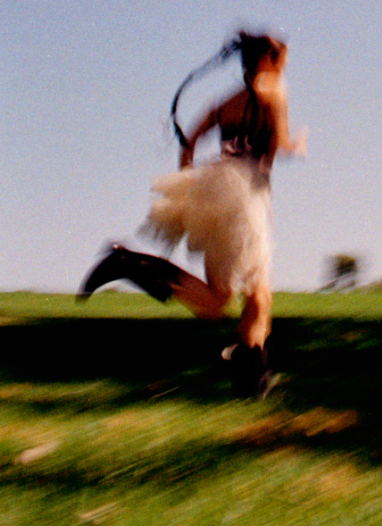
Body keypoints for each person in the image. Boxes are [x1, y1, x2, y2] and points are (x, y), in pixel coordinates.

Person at [79, 31, 306, 396]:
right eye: (282, 63)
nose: (284, 71)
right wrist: (299, 144)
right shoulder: (275, 93)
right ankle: (129, 264)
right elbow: (279, 145)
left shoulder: (226, 102)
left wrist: (192, 186)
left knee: (253, 297)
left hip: (223, 192)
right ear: (268, 60)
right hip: (243, 199)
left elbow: (193, 138)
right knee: (230, 300)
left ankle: (252, 380)